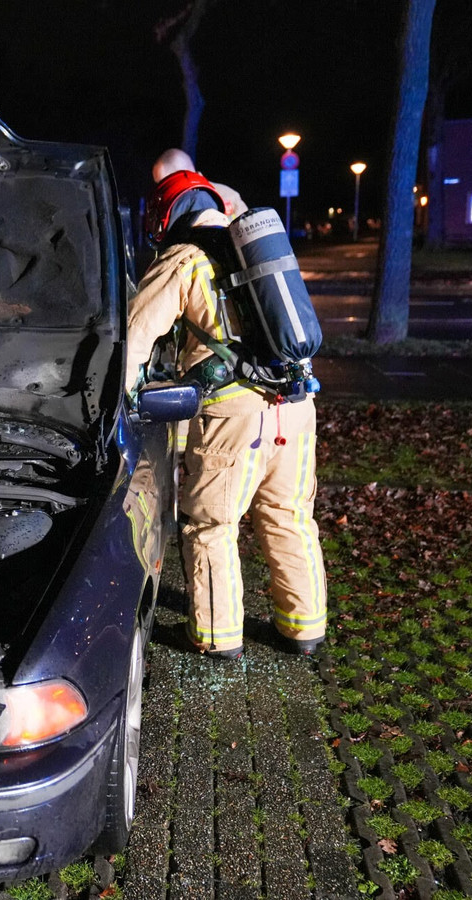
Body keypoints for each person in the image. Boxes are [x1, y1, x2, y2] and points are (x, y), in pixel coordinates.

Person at [127, 171, 326, 659]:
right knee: (290, 516)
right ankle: (305, 628)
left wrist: (123, 393)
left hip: (232, 418)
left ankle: (219, 639)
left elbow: (134, 335)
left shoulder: (183, 259)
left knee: (212, 526)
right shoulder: (257, 253)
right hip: (296, 406)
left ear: (165, 218)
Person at [151, 148, 248, 221]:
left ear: (181, 176)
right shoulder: (169, 210)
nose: (162, 192)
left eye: (165, 185)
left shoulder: (228, 196)